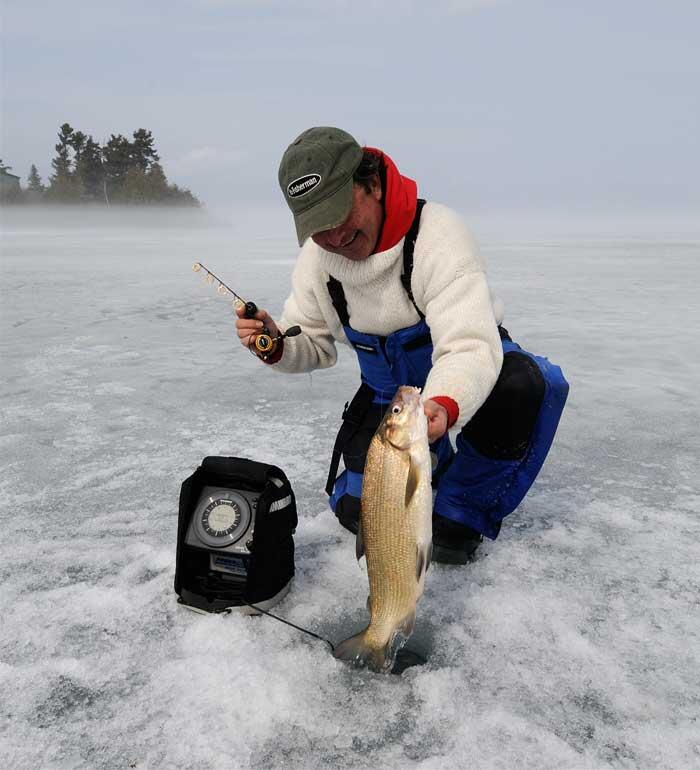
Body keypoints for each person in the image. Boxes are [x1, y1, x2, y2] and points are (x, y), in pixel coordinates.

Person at [236, 127, 569, 564]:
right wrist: (277, 346)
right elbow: (313, 342)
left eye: (336, 214)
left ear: (371, 185)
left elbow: (467, 345)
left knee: (525, 384)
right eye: (316, 226)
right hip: (389, 395)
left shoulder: (438, 236)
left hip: (465, 377)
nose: (332, 237)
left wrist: (444, 404)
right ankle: (434, 465)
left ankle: (462, 504)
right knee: (358, 513)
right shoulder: (318, 262)